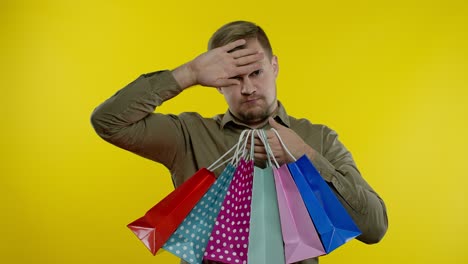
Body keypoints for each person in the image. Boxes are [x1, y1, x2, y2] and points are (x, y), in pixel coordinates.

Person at [91, 20, 388, 264]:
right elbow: (108, 122)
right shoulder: (188, 135)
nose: (247, 88)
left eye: (256, 73)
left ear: (274, 67)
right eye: (233, 79)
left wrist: (306, 156)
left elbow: (374, 229)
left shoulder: (317, 139)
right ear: (217, 84)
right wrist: (189, 73)